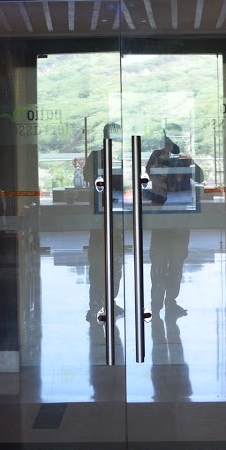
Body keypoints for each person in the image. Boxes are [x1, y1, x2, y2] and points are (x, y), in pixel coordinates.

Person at [145, 127, 202, 317]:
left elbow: (200, 176)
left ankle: (164, 302)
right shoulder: (161, 157)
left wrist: (187, 161)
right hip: (170, 216)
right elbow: (152, 174)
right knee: (165, 261)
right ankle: (161, 303)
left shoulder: (179, 159)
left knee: (171, 261)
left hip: (172, 217)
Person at [86, 124, 125, 320]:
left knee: (113, 261)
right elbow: (89, 177)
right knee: (100, 261)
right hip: (101, 215)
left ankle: (107, 301)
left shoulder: (115, 158)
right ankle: (98, 303)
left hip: (112, 214)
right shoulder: (96, 157)